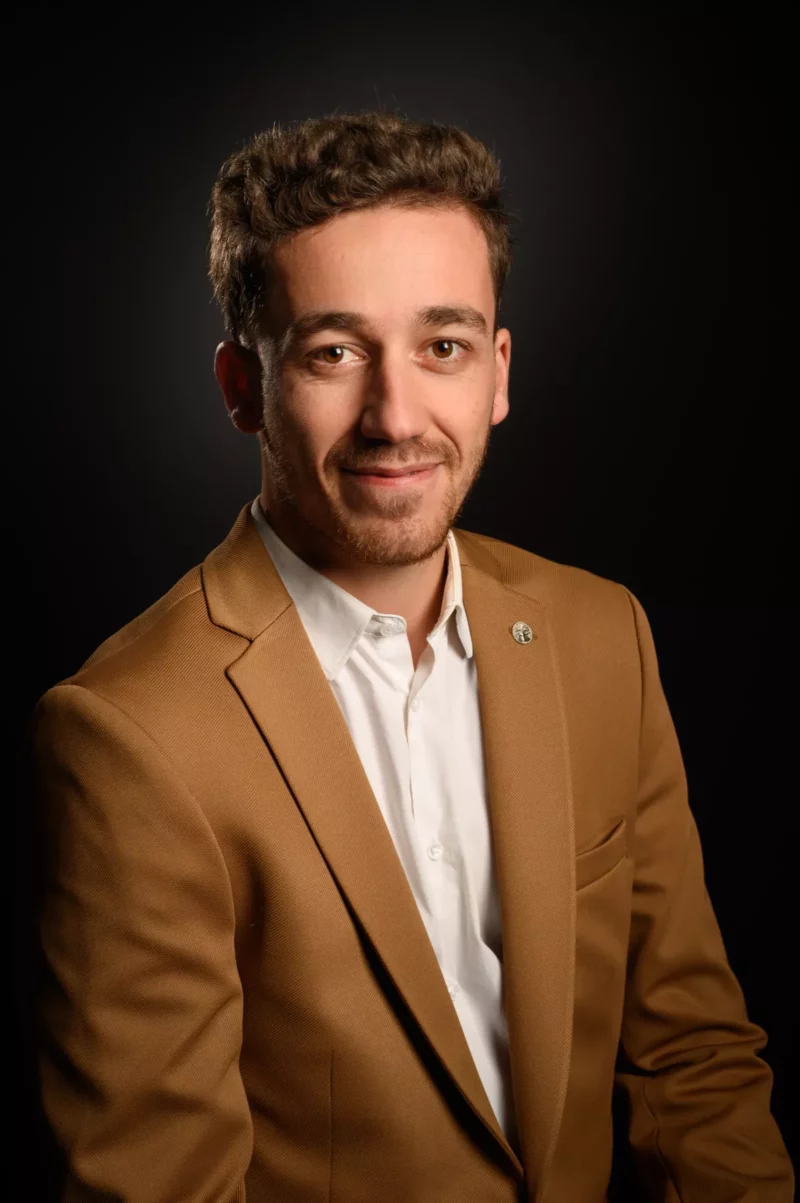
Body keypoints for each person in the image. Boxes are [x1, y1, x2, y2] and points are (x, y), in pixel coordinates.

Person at [29, 111, 793, 1202]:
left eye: (443, 347)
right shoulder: (126, 736)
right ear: (242, 386)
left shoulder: (600, 637)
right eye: (334, 352)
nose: (395, 416)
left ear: (497, 372)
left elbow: (693, 1060)